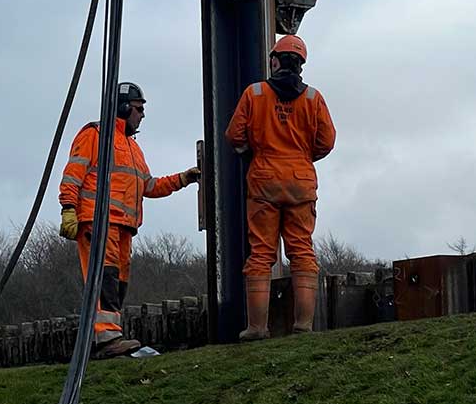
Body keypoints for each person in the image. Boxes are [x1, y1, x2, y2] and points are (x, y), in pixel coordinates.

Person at [58, 82, 201, 358]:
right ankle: (107, 339)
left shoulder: (133, 148)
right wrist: (68, 208)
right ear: (124, 108)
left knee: (118, 282)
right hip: (99, 221)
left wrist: (183, 179)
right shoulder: (94, 135)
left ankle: (105, 338)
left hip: (124, 226)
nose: (142, 115)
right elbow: (72, 175)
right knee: (105, 278)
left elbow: (148, 186)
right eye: (139, 109)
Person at [225, 35, 336, 340]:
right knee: (301, 252)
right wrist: (302, 157)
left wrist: (255, 150)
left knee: (261, 253)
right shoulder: (314, 98)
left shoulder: (255, 93)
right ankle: (303, 325)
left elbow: (234, 135)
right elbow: (327, 142)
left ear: (274, 61)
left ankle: (258, 328)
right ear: (301, 64)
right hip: (300, 181)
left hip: (264, 179)